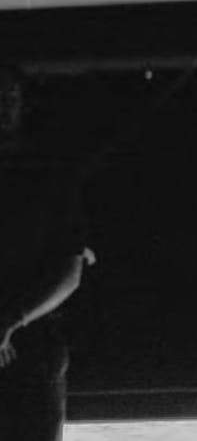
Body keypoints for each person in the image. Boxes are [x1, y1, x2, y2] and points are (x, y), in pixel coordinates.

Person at [1, 65, 94, 440]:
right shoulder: (50, 177)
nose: (3, 109)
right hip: (33, 338)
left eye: (9, 99)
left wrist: (11, 319)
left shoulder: (49, 177)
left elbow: (71, 270)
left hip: (34, 345)